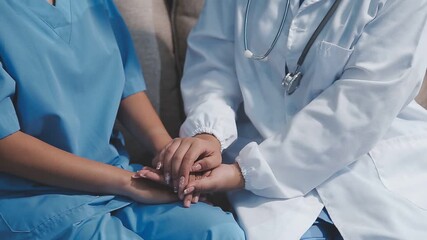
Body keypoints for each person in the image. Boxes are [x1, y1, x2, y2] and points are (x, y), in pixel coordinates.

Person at [138, 0, 427, 239]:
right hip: (260, 162)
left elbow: (364, 104)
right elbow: (213, 62)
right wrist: (208, 133)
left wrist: (245, 173)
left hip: (371, 163)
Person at [0, 0, 245, 239]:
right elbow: (4, 143)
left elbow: (126, 85)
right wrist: (127, 184)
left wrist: (173, 164)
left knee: (219, 230)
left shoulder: (96, 4)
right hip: (33, 198)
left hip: (117, 173)